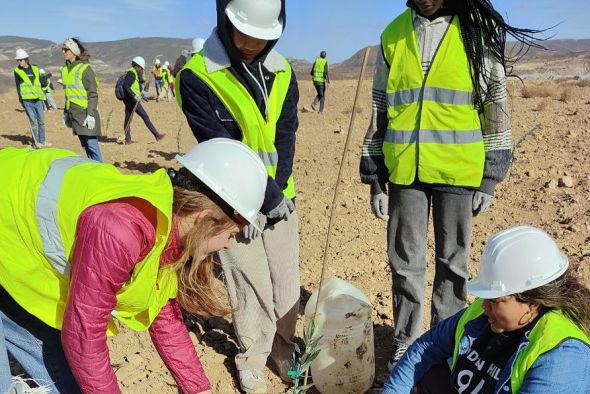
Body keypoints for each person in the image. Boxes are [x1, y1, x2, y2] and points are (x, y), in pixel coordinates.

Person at [0, 138, 269, 394]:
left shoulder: (166, 226)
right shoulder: (120, 230)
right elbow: (84, 334)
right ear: (204, 218)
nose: (230, 246)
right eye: (231, 234)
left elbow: (164, 316)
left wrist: (198, 388)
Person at [359, 0, 546, 367]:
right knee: (405, 263)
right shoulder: (393, 34)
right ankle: (407, 340)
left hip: (458, 171)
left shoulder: (477, 32)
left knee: (453, 264)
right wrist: (375, 176)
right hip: (405, 171)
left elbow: (495, 104)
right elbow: (380, 106)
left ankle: (445, 340)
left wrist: (490, 176)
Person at [176, 0, 300, 392]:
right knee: (249, 285)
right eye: (243, 33)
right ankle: (250, 357)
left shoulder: (282, 71)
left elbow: (285, 135)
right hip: (230, 200)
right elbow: (220, 143)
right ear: (223, 18)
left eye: (262, 38)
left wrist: (275, 194)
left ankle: (282, 350)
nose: (250, 44)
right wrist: (258, 199)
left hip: (280, 198)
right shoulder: (198, 76)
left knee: (287, 285)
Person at [382, 226, 590, 394]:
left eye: (496, 300)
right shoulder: (485, 313)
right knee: (431, 375)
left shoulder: (563, 357)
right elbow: (427, 347)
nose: (483, 306)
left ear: (532, 303)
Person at [61, 38, 103, 162]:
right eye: (63, 49)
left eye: (66, 49)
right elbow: (69, 94)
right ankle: (92, 169)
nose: (63, 52)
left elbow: (93, 94)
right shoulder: (66, 70)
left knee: (92, 144)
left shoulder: (85, 69)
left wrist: (90, 114)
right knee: (85, 145)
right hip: (75, 113)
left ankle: (101, 172)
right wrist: (66, 113)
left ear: (73, 51)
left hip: (85, 113)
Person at [122, 56, 166, 144]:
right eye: (141, 68)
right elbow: (126, 86)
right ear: (137, 66)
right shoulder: (131, 73)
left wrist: (141, 96)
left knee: (128, 119)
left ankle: (127, 139)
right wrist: (135, 96)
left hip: (130, 100)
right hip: (132, 101)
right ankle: (157, 135)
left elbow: (135, 87)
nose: (141, 70)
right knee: (144, 116)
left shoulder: (133, 72)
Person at [14, 48, 49, 148]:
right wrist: (21, 100)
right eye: (18, 60)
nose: (19, 62)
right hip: (27, 100)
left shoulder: (35, 68)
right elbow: (18, 86)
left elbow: (40, 82)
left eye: (20, 60)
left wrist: (44, 83)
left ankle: (42, 141)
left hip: (38, 99)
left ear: (26, 59)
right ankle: (36, 142)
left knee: (41, 121)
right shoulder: (17, 71)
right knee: (33, 122)